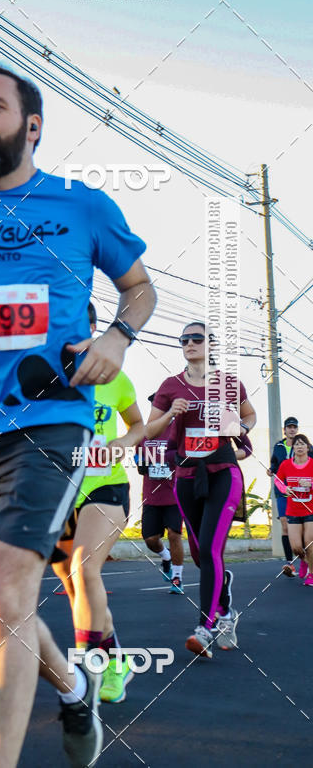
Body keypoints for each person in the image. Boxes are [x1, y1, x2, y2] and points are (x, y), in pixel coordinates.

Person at [0, 62, 155, 768]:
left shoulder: (83, 205)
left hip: (50, 418)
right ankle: (74, 687)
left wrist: (115, 338)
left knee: (13, 587)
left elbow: (138, 290)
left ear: (31, 125)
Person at [51, 302, 145, 705]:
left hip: (105, 486)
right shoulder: (43, 375)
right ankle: (114, 660)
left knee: (84, 569)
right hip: (57, 491)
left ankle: (88, 672)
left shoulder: (114, 376)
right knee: (76, 590)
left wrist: (123, 443)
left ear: (91, 328)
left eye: (77, 324)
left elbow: (138, 423)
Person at [146, 321, 256, 658]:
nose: (189, 343)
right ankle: (226, 608)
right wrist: (169, 416)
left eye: (197, 338)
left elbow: (249, 417)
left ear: (211, 345)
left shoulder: (228, 383)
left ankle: (204, 628)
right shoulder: (170, 385)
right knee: (198, 553)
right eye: (185, 340)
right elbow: (150, 429)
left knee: (208, 547)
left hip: (224, 471)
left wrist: (236, 424)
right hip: (187, 475)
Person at [136, 406, 184, 594]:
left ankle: (178, 578)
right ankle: (166, 558)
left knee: (174, 534)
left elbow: (186, 457)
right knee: (150, 539)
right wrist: (144, 464)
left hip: (174, 494)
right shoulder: (144, 433)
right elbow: (139, 461)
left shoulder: (178, 432)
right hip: (151, 496)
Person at [269, 417, 308, 576]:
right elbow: (273, 464)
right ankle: (289, 564)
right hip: (282, 491)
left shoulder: (305, 445)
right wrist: (271, 470)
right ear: (284, 429)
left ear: (297, 429)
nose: (291, 429)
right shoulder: (278, 446)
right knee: (285, 525)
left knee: (304, 529)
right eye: (289, 427)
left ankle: (306, 561)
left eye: (294, 427)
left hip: (301, 493)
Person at [274, 433, 313, 585]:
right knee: (296, 547)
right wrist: (285, 489)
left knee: (309, 542)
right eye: (297, 444)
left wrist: (310, 485)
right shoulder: (285, 465)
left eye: (303, 444)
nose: (300, 446)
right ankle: (304, 561)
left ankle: (311, 575)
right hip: (293, 510)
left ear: (308, 447)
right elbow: (278, 481)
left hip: (310, 510)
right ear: (293, 448)